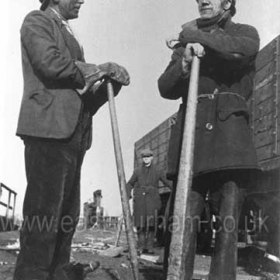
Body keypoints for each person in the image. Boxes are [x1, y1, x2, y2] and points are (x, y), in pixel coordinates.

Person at [14, 0, 129, 279]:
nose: (82, 0)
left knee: (65, 218)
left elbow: (78, 98)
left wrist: (107, 89)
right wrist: (99, 69)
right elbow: (50, 64)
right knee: (44, 217)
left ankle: (57, 274)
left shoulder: (68, 33)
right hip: (48, 131)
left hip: (72, 135)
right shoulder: (37, 21)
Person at [158, 0, 260, 279]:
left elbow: (240, 52)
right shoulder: (186, 44)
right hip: (190, 141)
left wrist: (194, 36)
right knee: (181, 221)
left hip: (230, 142)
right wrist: (185, 61)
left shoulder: (244, 33)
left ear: (228, 3)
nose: (203, 0)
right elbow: (164, 87)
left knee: (227, 228)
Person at [126, 148, 172, 254]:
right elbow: (130, 183)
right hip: (140, 202)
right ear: (142, 159)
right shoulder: (137, 171)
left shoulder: (158, 170)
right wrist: (128, 193)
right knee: (140, 225)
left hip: (153, 201)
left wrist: (176, 189)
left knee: (151, 225)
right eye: (144, 157)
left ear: (151, 158)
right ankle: (141, 247)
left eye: (148, 157)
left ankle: (150, 247)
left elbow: (167, 181)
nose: (146, 159)